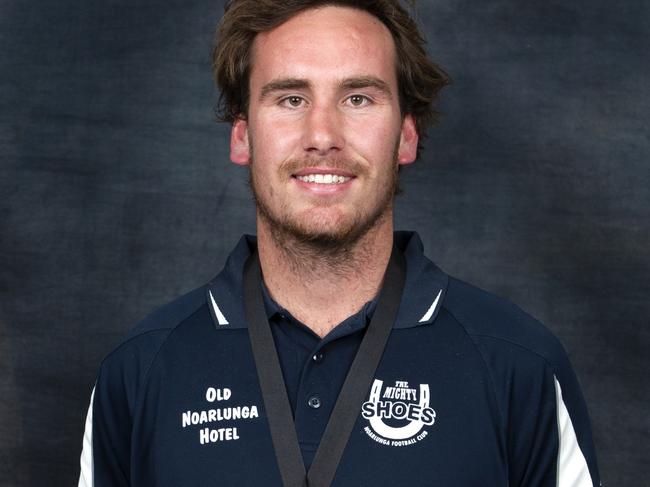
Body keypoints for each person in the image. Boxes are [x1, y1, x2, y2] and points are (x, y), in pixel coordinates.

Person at [78, 1, 601, 486]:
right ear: (242, 136)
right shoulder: (141, 369)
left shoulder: (521, 365)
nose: (322, 134)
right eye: (290, 98)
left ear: (405, 137)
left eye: (357, 98)